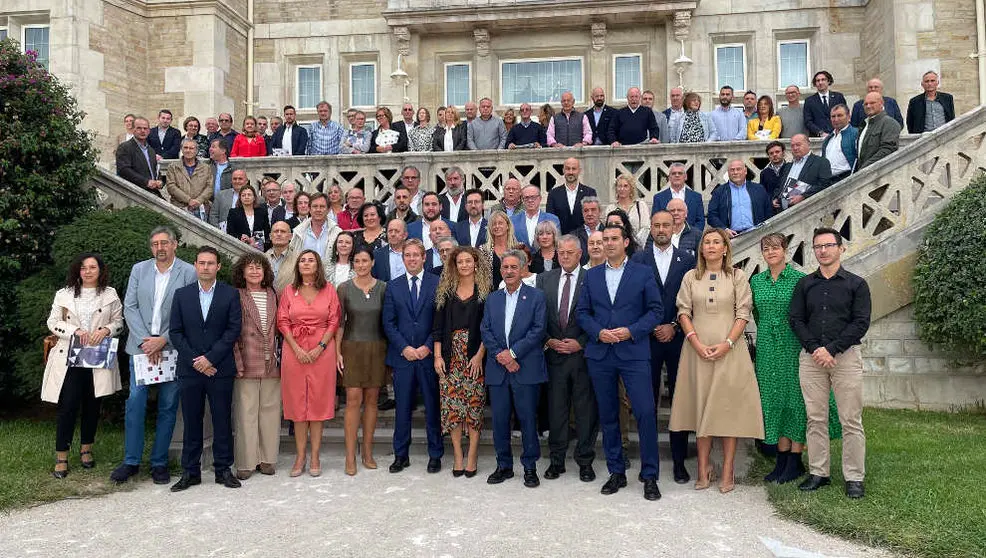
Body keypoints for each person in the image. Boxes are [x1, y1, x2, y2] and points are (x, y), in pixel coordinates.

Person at [670, 228, 764, 493]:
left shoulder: (737, 276)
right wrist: (695, 342)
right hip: (696, 351)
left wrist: (728, 344)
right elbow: (683, 311)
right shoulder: (691, 277)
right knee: (702, 408)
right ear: (701, 249)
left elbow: (743, 313)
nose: (711, 246)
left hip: (730, 352)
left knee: (726, 410)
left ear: (725, 248)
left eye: (716, 242)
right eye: (707, 242)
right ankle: (703, 468)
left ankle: (728, 469)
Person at [575, 224, 663, 501]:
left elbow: (656, 311)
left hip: (633, 351)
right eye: (604, 240)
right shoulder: (592, 276)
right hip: (601, 354)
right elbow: (582, 313)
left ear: (625, 242)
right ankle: (616, 472)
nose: (608, 244)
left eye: (614, 239)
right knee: (609, 415)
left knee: (646, 413)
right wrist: (597, 332)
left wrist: (632, 331)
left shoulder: (643, 272)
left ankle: (649, 475)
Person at [752, 233, 843, 485]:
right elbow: (757, 314)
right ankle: (782, 458)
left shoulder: (800, 280)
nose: (771, 252)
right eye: (766, 249)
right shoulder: (756, 282)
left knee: (796, 401)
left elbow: (808, 314)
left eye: (775, 248)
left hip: (793, 347)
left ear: (785, 250)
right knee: (774, 400)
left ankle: (795, 459)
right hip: (768, 350)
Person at [789, 227, 871, 499]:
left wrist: (832, 349)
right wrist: (815, 348)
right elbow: (796, 320)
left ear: (840, 248)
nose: (822, 251)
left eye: (828, 245)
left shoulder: (856, 284)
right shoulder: (805, 284)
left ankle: (854, 477)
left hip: (845, 357)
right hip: (812, 358)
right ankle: (819, 472)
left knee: (850, 419)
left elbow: (860, 322)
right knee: (815, 418)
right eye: (817, 247)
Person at [110, 227, 197, 485]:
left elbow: (188, 312)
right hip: (141, 348)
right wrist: (147, 342)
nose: (160, 248)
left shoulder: (189, 273)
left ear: (175, 245)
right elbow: (130, 306)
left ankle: (159, 462)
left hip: (171, 349)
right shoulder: (139, 270)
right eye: (155, 244)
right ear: (151, 247)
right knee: (135, 402)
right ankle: (131, 461)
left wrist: (163, 340)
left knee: (168, 406)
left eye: (164, 243)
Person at [168, 246, 243, 492]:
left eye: (211, 263)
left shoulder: (230, 294)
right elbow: (176, 333)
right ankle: (190, 472)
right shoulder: (182, 295)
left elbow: (233, 330)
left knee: (222, 419)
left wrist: (210, 359)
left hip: (220, 369)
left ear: (218, 267)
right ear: (195, 265)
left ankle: (223, 469)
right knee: (192, 420)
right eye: (202, 263)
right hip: (190, 370)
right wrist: (197, 361)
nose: (206, 267)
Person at [44, 253, 123, 478]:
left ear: (100, 270)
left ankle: (86, 449)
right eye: (83, 268)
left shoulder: (110, 294)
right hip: (69, 355)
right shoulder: (64, 294)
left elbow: (119, 322)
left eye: (92, 267)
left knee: (92, 404)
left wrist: (106, 330)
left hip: (97, 356)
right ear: (77, 271)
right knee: (67, 405)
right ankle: (62, 456)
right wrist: (74, 331)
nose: (88, 271)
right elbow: (52, 322)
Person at [631, 211, 696, 484]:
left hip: (678, 339)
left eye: (665, 225)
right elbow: (633, 300)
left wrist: (674, 325)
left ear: (674, 227)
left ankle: (679, 461)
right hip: (647, 341)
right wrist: (652, 327)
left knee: (680, 400)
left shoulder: (688, 260)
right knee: (648, 403)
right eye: (656, 225)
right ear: (651, 229)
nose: (660, 229)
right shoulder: (638, 259)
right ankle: (650, 460)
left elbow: (692, 301)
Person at [481, 249, 548, 487]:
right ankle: (504, 465)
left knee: (527, 419)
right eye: (505, 268)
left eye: (513, 267)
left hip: (525, 367)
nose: (508, 271)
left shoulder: (536, 296)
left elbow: (538, 330)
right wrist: (502, 355)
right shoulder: (493, 298)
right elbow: (485, 330)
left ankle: (530, 467)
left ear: (522, 269)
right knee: (500, 420)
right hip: (499, 369)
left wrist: (513, 353)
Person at [536, 235, 599, 482]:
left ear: (580, 254)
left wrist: (580, 343)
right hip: (553, 356)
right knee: (556, 411)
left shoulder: (592, 278)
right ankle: (557, 460)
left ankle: (585, 461)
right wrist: (548, 340)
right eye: (561, 253)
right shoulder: (544, 280)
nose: (564, 256)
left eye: (569, 253)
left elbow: (598, 315)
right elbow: (537, 316)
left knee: (585, 412)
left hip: (582, 356)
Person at [382, 239, 445, 474]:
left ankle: (435, 454)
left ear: (424, 257)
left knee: (432, 406)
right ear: (402, 258)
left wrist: (428, 346)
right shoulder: (393, 286)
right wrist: (404, 348)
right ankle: (401, 455)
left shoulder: (437, 283)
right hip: (403, 358)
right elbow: (388, 323)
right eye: (407, 255)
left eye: (415, 255)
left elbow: (440, 320)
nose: (411, 259)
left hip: (429, 357)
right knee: (403, 408)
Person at [278, 249, 341, 477]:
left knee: (317, 404)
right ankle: (300, 456)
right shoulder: (289, 291)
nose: (306, 263)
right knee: (297, 405)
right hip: (293, 349)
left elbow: (334, 320)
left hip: (322, 350)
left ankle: (315, 455)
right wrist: (295, 348)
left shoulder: (329, 290)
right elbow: (282, 321)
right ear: (298, 266)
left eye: (310, 260)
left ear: (318, 265)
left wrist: (320, 347)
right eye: (302, 260)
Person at [433, 246, 490, 477]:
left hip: (475, 356)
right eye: (460, 262)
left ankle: (473, 455)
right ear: (454, 265)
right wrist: (437, 356)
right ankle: (457, 455)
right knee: (453, 409)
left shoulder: (485, 291)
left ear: (476, 263)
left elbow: (489, 327)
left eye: (468, 261)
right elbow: (436, 327)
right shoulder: (445, 291)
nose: (464, 265)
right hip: (450, 357)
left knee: (474, 408)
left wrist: (480, 355)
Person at [336, 247, 388, 475]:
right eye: (356, 261)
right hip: (351, 347)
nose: (361, 264)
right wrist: (337, 352)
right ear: (352, 264)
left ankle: (367, 451)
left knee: (372, 401)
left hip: (377, 348)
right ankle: (350, 456)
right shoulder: (344, 288)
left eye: (365, 260)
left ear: (372, 262)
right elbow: (339, 323)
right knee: (353, 399)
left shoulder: (384, 288)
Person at [229, 254, 280, 480]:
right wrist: (236, 360)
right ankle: (246, 462)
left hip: (271, 361)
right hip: (247, 358)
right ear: (242, 272)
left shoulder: (272, 294)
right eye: (250, 268)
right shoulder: (236, 295)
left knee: (270, 412)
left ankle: (267, 459)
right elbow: (231, 330)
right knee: (246, 413)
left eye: (259, 268)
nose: (254, 271)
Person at [707, 159, 773, 236]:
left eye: (738, 169)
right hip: (731, 237)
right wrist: (724, 229)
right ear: (728, 173)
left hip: (757, 235)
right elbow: (711, 216)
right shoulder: (719, 192)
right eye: (732, 170)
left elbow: (768, 212)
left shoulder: (759, 189)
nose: (735, 172)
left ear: (745, 171)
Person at [288, 193, 343, 277]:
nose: (318, 209)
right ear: (309, 209)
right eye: (315, 206)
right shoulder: (298, 232)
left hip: (328, 281)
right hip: (303, 281)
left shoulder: (337, 233)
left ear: (328, 210)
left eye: (322, 206)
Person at [774, 134, 833, 210]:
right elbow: (779, 186)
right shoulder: (787, 166)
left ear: (808, 144)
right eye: (792, 146)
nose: (795, 148)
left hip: (807, 209)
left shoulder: (821, 162)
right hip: (783, 209)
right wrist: (775, 198)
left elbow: (824, 184)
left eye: (798, 145)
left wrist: (803, 196)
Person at [546, 158, 597, 235]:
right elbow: (550, 221)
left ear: (579, 171)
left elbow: (593, 219)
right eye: (568, 169)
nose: (571, 172)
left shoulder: (590, 192)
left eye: (574, 169)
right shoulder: (553, 194)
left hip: (584, 241)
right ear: (563, 170)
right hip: (561, 241)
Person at [116, 117, 162, 197]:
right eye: (139, 128)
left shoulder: (151, 150)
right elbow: (123, 170)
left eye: (145, 128)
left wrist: (160, 181)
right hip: (135, 194)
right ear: (133, 130)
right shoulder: (124, 147)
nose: (143, 131)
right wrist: (146, 182)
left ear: (149, 131)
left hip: (153, 193)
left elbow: (155, 171)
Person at [652, 162, 706, 232]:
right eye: (673, 173)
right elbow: (655, 220)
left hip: (691, 239)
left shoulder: (696, 197)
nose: (677, 175)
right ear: (669, 177)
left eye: (680, 173)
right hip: (667, 238)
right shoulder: (658, 198)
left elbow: (700, 221)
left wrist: (692, 235)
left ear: (685, 177)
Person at [166, 138, 211, 219]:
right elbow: (171, 187)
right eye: (185, 148)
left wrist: (198, 201)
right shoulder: (173, 167)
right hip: (179, 208)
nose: (188, 150)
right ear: (181, 150)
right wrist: (188, 200)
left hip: (200, 208)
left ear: (196, 151)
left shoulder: (206, 168)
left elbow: (209, 187)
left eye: (191, 148)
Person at [855, 92, 902, 171]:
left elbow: (888, 150)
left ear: (881, 103)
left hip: (878, 174)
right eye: (865, 104)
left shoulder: (890, 123)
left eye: (872, 103)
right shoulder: (864, 125)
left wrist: (864, 168)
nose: (868, 106)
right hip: (863, 174)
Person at [605, 173, 649, 244]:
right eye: (619, 186)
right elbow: (609, 229)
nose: (622, 189)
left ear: (631, 188)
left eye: (626, 186)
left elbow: (645, 228)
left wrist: (633, 243)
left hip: (637, 246)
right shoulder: (611, 208)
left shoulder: (641, 206)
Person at [226, 184, 270, 251]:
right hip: (240, 247)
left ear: (254, 197)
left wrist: (254, 239)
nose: (246, 197)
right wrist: (241, 238)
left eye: (249, 195)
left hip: (259, 248)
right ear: (240, 198)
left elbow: (267, 231)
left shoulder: (262, 212)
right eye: (243, 195)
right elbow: (230, 232)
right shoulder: (233, 213)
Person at [821, 104, 858, 184]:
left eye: (840, 115)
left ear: (848, 117)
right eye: (833, 116)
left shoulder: (856, 134)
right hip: (828, 182)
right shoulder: (828, 139)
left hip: (846, 180)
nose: (836, 119)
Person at [803, 71, 847, 137]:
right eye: (818, 81)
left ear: (828, 81)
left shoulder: (838, 97)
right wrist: (820, 133)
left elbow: (845, 115)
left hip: (838, 135)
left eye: (823, 80)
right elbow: (808, 121)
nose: (820, 82)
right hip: (818, 137)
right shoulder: (809, 101)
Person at [482, 210, 518, 288]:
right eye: (494, 224)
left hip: (515, 293)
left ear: (508, 226)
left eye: (500, 223)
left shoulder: (518, 249)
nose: (497, 226)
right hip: (491, 295)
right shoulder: (483, 250)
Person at [267, 221, 297, 293]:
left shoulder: (298, 259)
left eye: (283, 231)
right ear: (270, 236)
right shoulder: (263, 258)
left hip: (290, 302)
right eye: (276, 231)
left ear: (290, 236)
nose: (279, 234)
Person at [573, 196, 604, 263]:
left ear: (600, 212)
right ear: (582, 213)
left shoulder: (608, 233)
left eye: (593, 210)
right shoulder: (574, 235)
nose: (589, 214)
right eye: (586, 211)